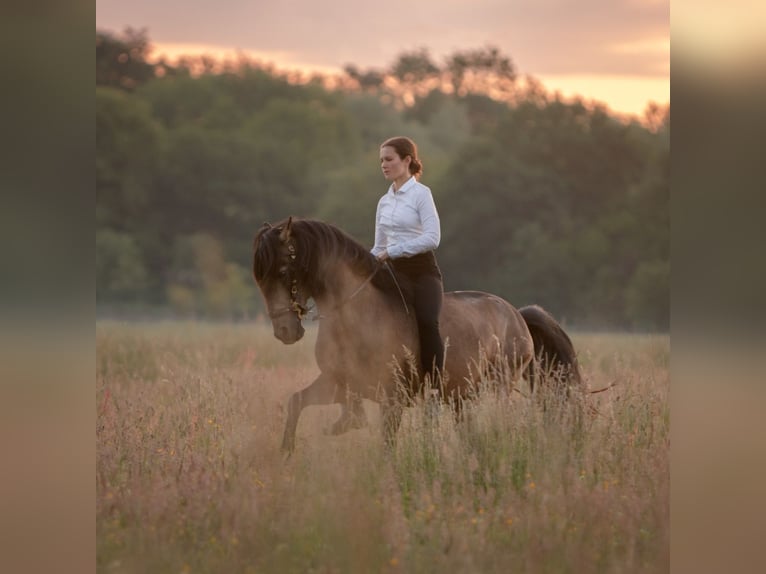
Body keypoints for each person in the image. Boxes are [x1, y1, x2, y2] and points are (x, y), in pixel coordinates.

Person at [371, 136, 445, 385]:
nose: (383, 164)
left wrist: (395, 251)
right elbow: (379, 247)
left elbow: (432, 238)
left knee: (427, 321)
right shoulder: (384, 201)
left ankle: (434, 390)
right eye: (381, 160)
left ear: (407, 160)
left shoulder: (422, 195)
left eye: (389, 159)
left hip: (422, 271)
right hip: (392, 272)